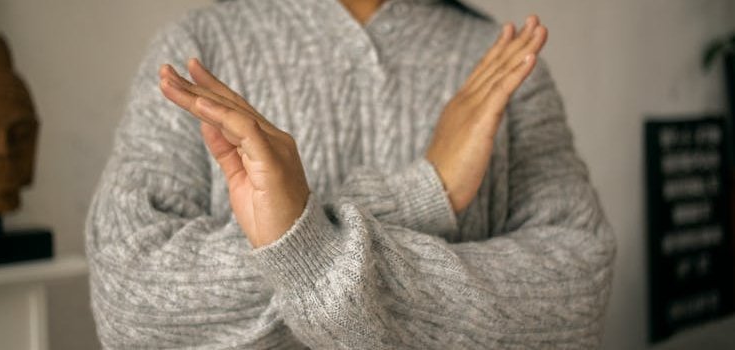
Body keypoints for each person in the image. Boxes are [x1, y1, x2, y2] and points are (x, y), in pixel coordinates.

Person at [86, 0, 617, 348]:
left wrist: (306, 248)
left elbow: (577, 292)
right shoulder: (200, 46)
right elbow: (129, 294)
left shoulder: (501, 61)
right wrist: (420, 194)